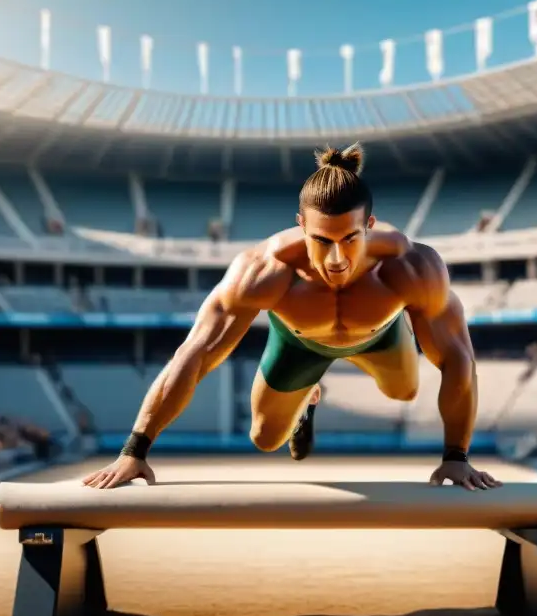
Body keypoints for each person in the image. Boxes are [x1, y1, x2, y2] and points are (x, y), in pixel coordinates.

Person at [83, 143, 500, 492]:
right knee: (265, 439)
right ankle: (308, 400)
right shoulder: (262, 271)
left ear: (369, 226)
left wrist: (457, 458)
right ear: (301, 226)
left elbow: (458, 358)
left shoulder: (411, 267)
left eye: (350, 239)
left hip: (381, 336)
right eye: (321, 241)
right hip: (299, 342)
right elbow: (194, 356)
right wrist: (134, 451)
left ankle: (351, 365)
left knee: (406, 392)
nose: (336, 260)